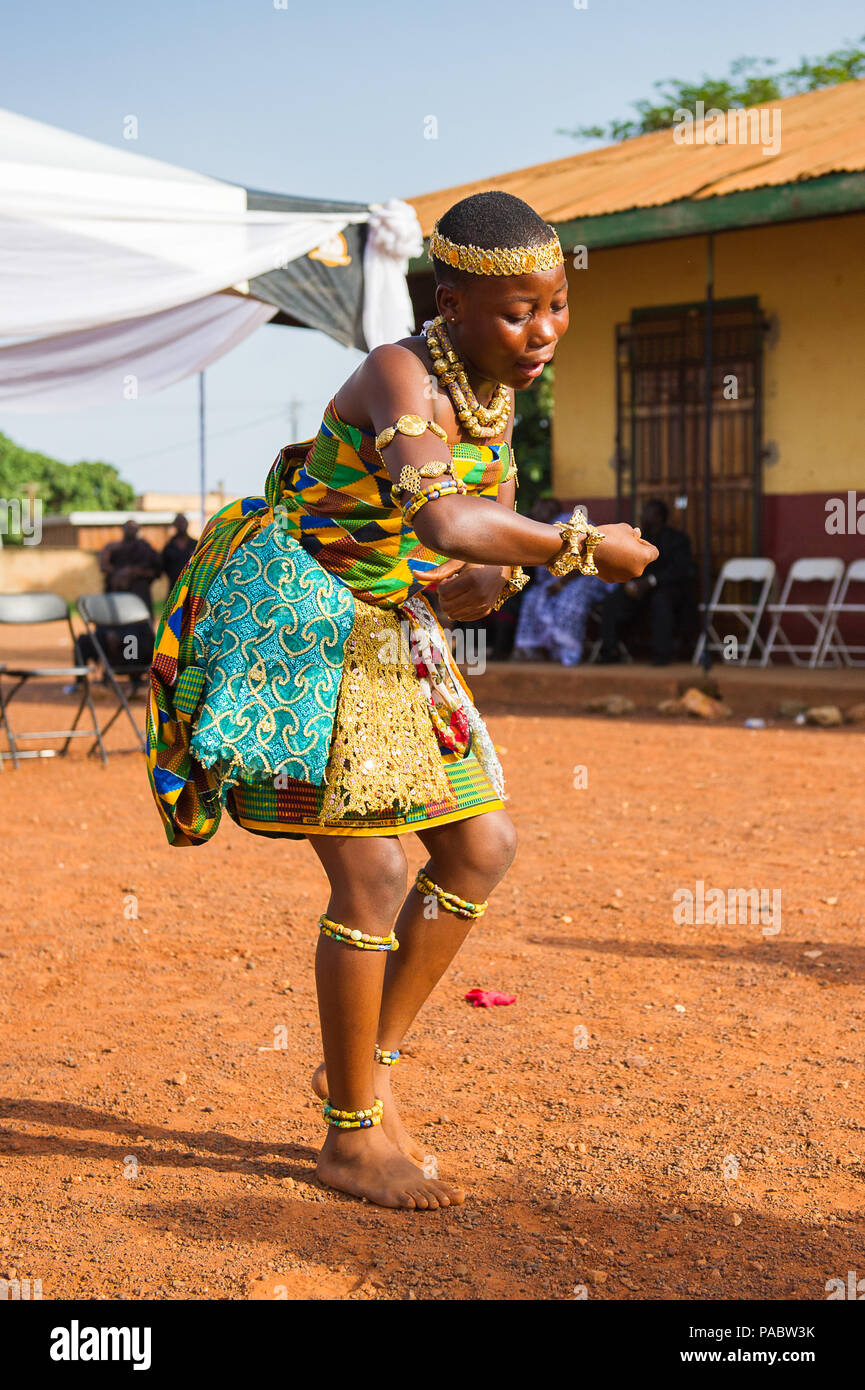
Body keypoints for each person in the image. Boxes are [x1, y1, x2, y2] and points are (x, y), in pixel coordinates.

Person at [145, 191, 657, 1211]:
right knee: (373, 871)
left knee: (478, 848)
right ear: (453, 301)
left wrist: (495, 582)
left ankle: (359, 1072)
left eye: (555, 306)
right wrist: (579, 547)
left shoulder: (499, 396)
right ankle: (349, 1136)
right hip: (298, 623)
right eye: (519, 311)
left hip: (386, 619)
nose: (544, 330)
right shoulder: (399, 371)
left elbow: (480, 541)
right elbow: (447, 514)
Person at [513, 501, 616, 665]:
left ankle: (569, 652)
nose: (536, 511)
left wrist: (561, 584)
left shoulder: (567, 522)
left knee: (569, 599)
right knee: (532, 597)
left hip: (588, 575)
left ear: (551, 510)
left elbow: (586, 555)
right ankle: (534, 649)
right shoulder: (541, 528)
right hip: (559, 579)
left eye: (540, 507)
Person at [598, 497, 695, 665]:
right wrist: (630, 584)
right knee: (614, 599)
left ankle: (662, 655)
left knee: (661, 601)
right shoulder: (640, 539)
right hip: (640, 588)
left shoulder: (677, 539)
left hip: (668, 589)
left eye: (646, 512)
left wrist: (651, 582)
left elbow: (681, 570)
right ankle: (610, 651)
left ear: (658, 516)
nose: (642, 516)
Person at [161, 513, 197, 590]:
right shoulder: (169, 547)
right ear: (175, 525)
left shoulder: (196, 545)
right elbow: (163, 567)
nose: (181, 525)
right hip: (174, 587)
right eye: (179, 522)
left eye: (183, 522)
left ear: (187, 524)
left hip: (192, 587)